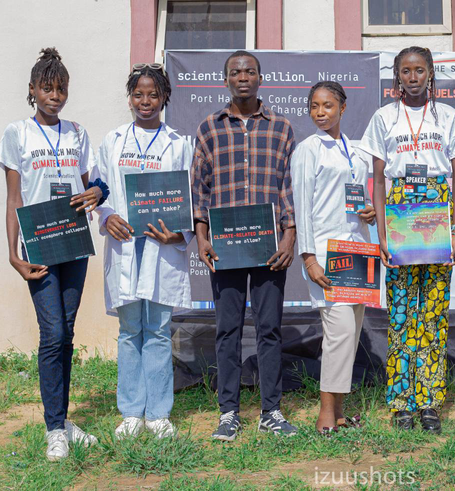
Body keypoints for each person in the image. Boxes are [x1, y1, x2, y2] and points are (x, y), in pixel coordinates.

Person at [0, 48, 104, 460]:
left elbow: (91, 181)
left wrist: (96, 191)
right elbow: (14, 198)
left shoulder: (77, 132)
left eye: (60, 89)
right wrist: (12, 253)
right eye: (47, 88)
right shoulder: (17, 133)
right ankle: (54, 429)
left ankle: (63, 421)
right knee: (53, 333)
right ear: (32, 90)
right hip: (39, 243)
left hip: (74, 242)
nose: (54, 96)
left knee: (68, 334)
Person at [359, 46, 455, 433]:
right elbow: (377, 179)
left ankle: (430, 401)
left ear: (431, 73)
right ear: (397, 76)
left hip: (437, 209)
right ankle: (402, 400)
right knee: (403, 312)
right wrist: (381, 234)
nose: (413, 77)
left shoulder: (450, 117)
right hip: (401, 208)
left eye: (420, 70)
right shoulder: (384, 117)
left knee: (434, 313)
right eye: (406, 71)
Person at [191, 50, 298, 441]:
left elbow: (289, 187)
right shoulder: (208, 128)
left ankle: (271, 410)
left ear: (260, 78)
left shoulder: (282, 128)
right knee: (228, 330)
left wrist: (289, 235)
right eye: (235, 72)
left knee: (269, 329)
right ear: (225, 80)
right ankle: (229, 412)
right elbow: (199, 188)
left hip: (269, 246)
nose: (243, 77)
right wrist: (202, 237)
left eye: (250, 71)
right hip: (226, 247)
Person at [93, 64, 193, 440]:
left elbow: (189, 198)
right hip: (125, 246)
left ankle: (159, 414)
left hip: (160, 248)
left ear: (165, 97)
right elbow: (99, 188)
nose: (145, 101)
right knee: (129, 329)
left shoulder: (179, 145)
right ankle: (132, 412)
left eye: (153, 94)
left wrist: (178, 234)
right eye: (139, 94)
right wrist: (107, 217)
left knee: (159, 329)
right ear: (130, 98)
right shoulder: (113, 141)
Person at [292, 82, 377, 434]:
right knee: (338, 331)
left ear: (343, 108)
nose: (320, 112)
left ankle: (340, 412)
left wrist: (370, 213)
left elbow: (361, 197)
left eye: (327, 105)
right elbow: (302, 207)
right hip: (327, 253)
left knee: (351, 332)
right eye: (314, 106)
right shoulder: (307, 150)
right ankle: (326, 414)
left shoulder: (357, 151)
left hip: (357, 248)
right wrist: (308, 257)